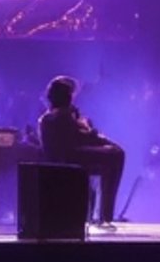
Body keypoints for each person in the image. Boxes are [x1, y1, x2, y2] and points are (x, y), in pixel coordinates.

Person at [37, 76, 126, 227]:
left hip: (64, 157)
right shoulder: (62, 115)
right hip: (70, 157)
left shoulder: (49, 116)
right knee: (117, 154)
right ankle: (106, 214)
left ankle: (103, 215)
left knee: (112, 154)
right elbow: (85, 137)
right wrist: (92, 131)